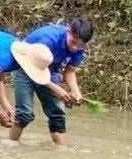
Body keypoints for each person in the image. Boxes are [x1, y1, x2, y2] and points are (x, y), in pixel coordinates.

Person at [9, 18, 94, 147]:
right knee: (25, 113)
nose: (75, 48)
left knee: (58, 114)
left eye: (79, 45)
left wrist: (76, 91)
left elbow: (70, 71)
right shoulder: (48, 39)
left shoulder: (80, 47)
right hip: (25, 67)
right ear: (69, 32)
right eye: (73, 42)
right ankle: (10, 145)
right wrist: (56, 88)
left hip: (49, 70)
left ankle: (61, 152)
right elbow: (33, 69)